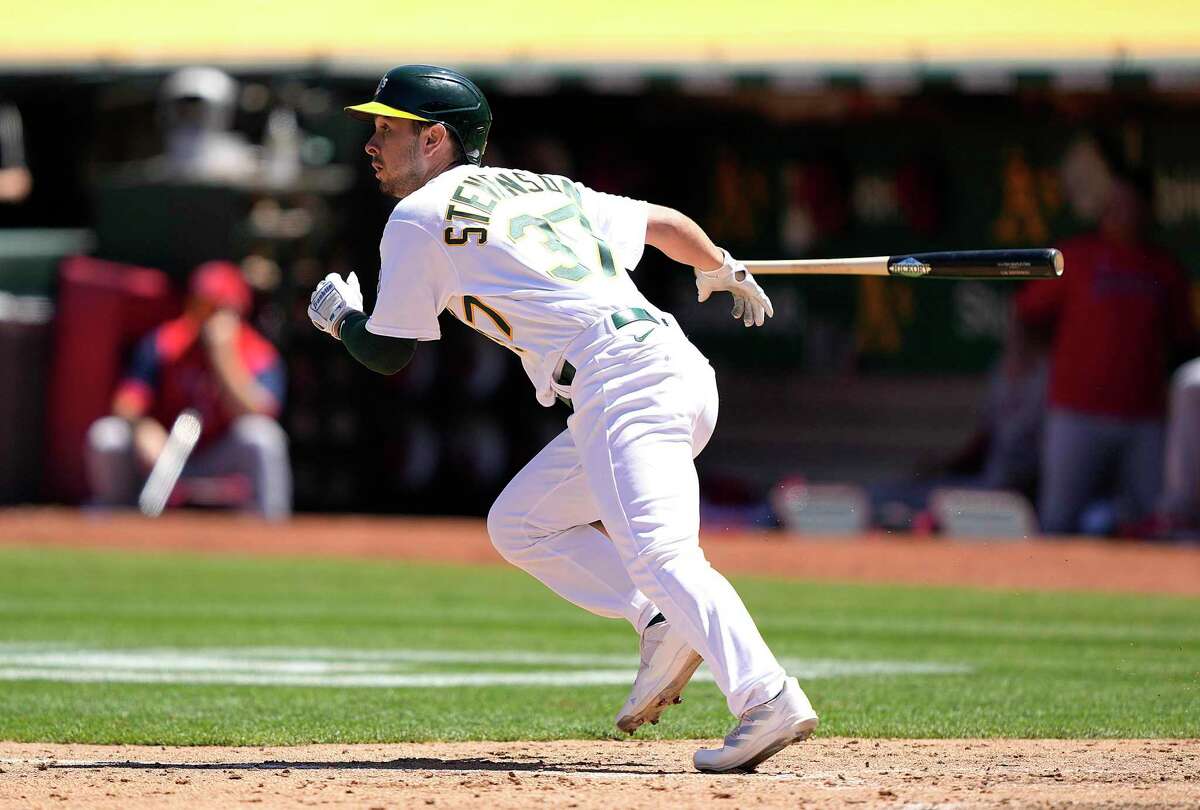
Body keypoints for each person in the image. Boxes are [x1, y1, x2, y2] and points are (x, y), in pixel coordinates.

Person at [307, 65, 818, 773]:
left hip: (621, 383)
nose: (371, 142)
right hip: (670, 369)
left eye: (387, 129)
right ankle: (658, 619)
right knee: (520, 523)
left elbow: (389, 353)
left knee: (665, 553)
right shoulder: (542, 185)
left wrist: (339, 319)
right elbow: (666, 226)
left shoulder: (416, 219)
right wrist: (721, 265)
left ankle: (767, 696)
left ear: (434, 141)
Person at [1015, 176, 1196, 535]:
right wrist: (1020, 359)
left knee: (1157, 523)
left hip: (1143, 418)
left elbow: (1184, 339)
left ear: (1147, 211)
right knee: (1057, 520)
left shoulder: (1164, 267)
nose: (1120, 213)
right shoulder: (1076, 257)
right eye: (1114, 205)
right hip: (1075, 412)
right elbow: (1025, 311)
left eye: (1130, 205)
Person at [86, 261, 291, 519]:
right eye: (203, 305)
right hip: (165, 455)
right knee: (108, 435)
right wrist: (143, 428)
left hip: (217, 457)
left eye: (218, 308)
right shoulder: (166, 342)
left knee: (262, 437)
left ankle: (271, 528)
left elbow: (261, 414)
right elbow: (126, 403)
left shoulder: (258, 353)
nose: (208, 315)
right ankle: (113, 522)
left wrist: (222, 356)